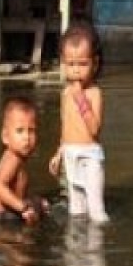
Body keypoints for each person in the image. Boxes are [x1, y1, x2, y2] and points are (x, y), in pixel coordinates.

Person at [48, 21, 109, 222]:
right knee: (76, 210)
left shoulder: (94, 93)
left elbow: (94, 128)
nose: (76, 71)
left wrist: (81, 100)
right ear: (63, 63)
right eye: (70, 64)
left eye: (82, 64)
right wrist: (59, 152)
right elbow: (66, 125)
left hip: (89, 157)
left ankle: (97, 248)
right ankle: (75, 250)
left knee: (96, 211)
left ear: (95, 63)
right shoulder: (66, 93)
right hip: (70, 155)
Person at [0, 96, 48, 225]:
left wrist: (34, 201)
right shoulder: (12, 158)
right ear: (5, 137)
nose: (26, 137)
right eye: (20, 131)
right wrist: (24, 208)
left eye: (31, 130)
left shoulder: (18, 160)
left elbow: (17, 193)